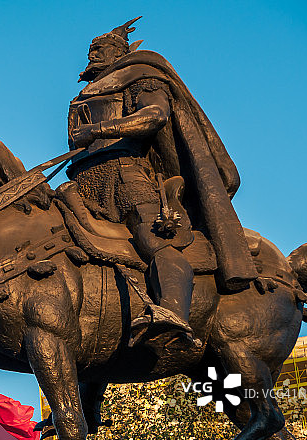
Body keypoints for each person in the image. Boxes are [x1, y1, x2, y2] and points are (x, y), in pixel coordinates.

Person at [67, 17, 257, 346]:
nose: (92, 55)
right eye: (90, 50)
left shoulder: (141, 76)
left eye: (100, 49)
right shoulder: (86, 93)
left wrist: (100, 130)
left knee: (153, 239)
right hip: (83, 178)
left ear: (118, 52)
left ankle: (172, 312)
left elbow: (155, 116)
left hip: (125, 175)